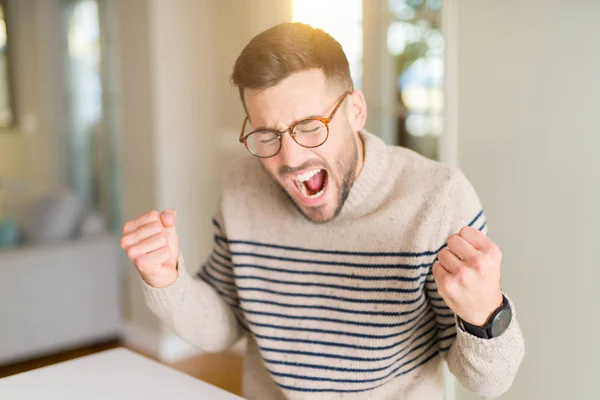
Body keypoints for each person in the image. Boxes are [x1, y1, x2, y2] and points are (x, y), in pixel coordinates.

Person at [120, 22, 524, 400]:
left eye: (310, 126)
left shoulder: (438, 199)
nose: (291, 157)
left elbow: (489, 383)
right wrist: (164, 279)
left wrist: (485, 313)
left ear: (356, 111)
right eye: (267, 134)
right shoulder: (242, 185)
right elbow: (223, 324)